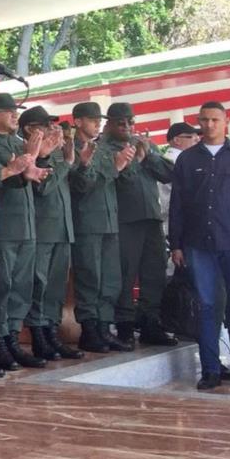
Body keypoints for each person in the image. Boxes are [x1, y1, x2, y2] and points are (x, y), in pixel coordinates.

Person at [170, 101, 230, 393]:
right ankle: (210, 370)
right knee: (208, 307)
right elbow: (178, 205)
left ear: (226, 121)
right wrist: (176, 244)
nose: (208, 125)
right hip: (199, 245)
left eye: (214, 119)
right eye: (203, 120)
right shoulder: (186, 160)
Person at [0, 95, 53, 370]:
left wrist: (37, 164)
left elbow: (30, 178)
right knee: (2, 285)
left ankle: (12, 336)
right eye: (8, 111)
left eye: (15, 111)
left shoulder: (17, 143)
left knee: (22, 286)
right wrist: (20, 168)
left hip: (26, 224)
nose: (15, 116)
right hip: (4, 225)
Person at [69, 101, 136, 353]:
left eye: (99, 119)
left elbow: (120, 182)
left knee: (110, 279)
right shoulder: (72, 148)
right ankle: (89, 329)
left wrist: (125, 165)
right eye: (92, 119)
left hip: (109, 221)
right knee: (90, 277)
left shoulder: (103, 149)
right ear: (78, 121)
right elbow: (80, 186)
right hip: (86, 221)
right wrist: (114, 167)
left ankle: (104, 328)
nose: (98, 123)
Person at [20, 106, 85, 360]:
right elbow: (43, 189)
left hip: (62, 227)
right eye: (45, 125)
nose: (52, 129)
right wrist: (63, 163)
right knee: (40, 284)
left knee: (57, 286)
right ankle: (38, 335)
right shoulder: (29, 153)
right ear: (29, 129)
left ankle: (51, 332)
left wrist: (67, 161)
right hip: (41, 228)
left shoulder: (55, 152)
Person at [111, 103, 177, 347]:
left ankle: (150, 321)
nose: (127, 127)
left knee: (154, 271)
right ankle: (125, 324)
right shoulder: (104, 147)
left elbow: (169, 174)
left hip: (151, 218)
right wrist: (134, 160)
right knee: (126, 273)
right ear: (109, 123)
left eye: (131, 122)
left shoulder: (147, 146)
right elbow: (112, 180)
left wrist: (148, 154)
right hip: (125, 219)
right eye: (121, 122)